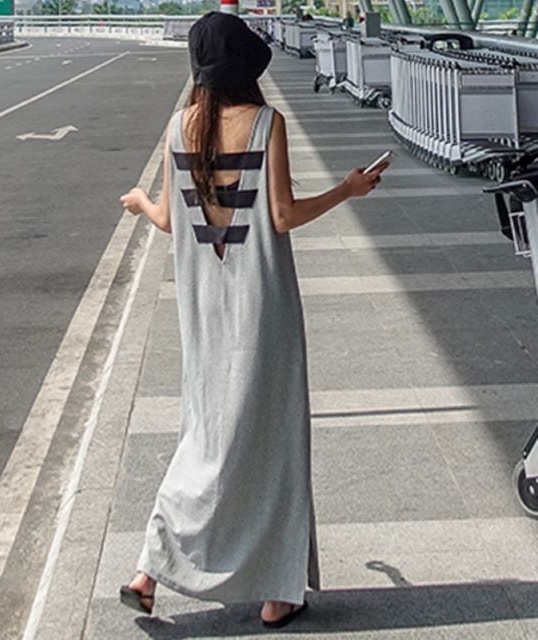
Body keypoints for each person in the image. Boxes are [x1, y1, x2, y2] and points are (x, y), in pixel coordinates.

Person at [119, 11, 385, 629]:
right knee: (274, 441)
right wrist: (347, 189)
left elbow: (169, 220)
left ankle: (149, 571)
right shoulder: (267, 124)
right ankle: (277, 593)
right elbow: (282, 216)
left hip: (203, 312)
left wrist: (140, 203)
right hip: (262, 305)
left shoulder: (179, 127)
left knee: (203, 437)